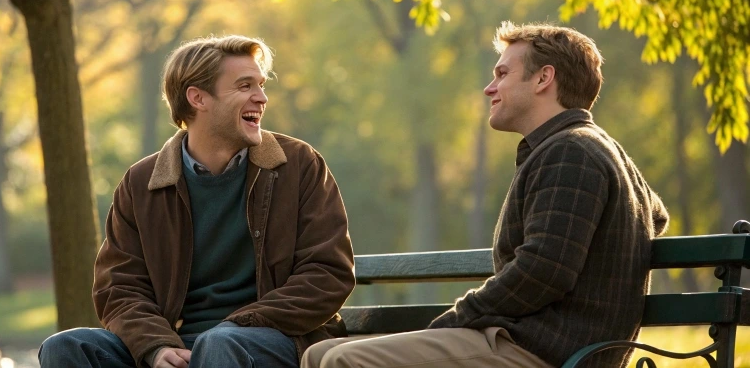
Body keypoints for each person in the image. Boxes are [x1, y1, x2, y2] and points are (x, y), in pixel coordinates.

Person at [302, 22, 669, 368]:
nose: (489, 88)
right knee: (319, 353)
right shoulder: (596, 150)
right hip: (529, 342)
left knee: (341, 361)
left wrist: (457, 319)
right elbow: (655, 215)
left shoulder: (571, 152)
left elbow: (542, 272)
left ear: (544, 78)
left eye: (502, 74)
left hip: (546, 351)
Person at [39, 35, 355, 368]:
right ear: (198, 98)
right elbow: (119, 288)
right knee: (66, 346)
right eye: (245, 86)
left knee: (219, 345)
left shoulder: (299, 165)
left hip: (277, 339)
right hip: (177, 345)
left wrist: (238, 324)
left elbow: (327, 274)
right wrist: (156, 347)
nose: (261, 98)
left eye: (261, 85)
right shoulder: (141, 184)